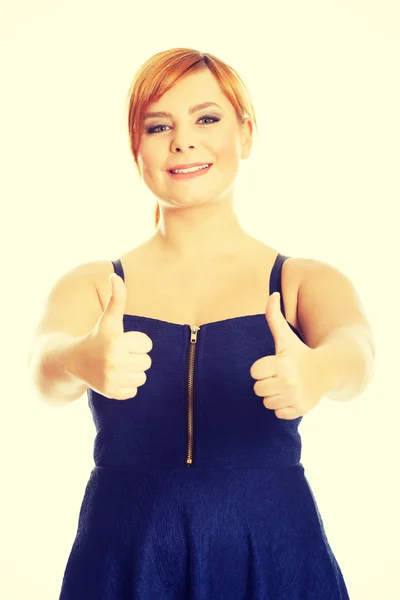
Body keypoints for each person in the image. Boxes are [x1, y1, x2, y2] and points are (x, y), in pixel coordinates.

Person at [28, 48, 375, 599]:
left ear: (247, 133)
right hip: (124, 549)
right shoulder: (95, 283)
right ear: (134, 148)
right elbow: (43, 368)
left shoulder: (305, 280)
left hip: (274, 545)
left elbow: (357, 354)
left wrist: (320, 370)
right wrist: (79, 359)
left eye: (207, 118)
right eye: (158, 125)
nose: (182, 140)